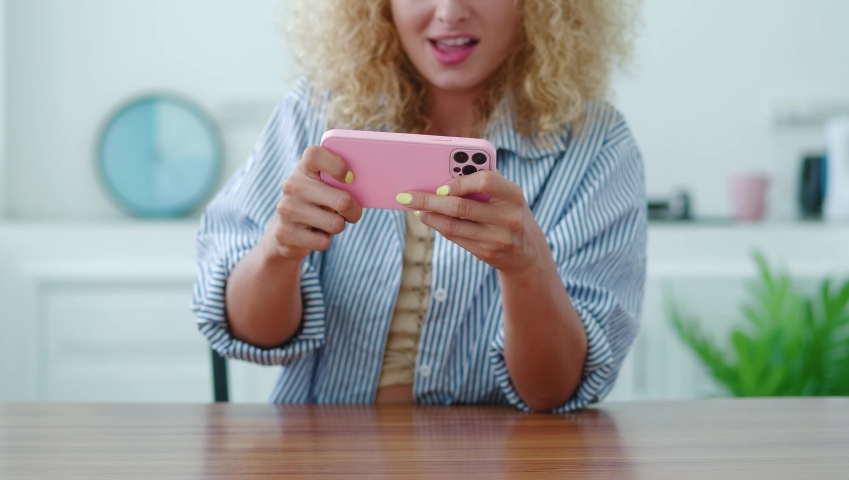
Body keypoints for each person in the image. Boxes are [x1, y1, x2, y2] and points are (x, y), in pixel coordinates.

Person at [192, 0, 645, 412]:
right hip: (322, 449)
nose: (449, 12)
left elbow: (552, 392)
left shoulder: (596, 146)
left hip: (499, 456)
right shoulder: (315, 110)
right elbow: (250, 335)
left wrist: (528, 267)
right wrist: (279, 251)